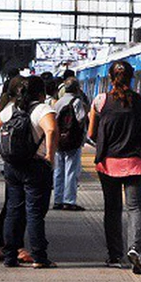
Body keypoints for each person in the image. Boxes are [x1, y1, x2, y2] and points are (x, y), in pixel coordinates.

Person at [89, 60, 141, 274]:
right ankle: (135, 250)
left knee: (112, 209)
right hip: (137, 164)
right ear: (132, 78)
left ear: (110, 78)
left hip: (109, 164)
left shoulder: (100, 101)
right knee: (135, 208)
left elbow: (91, 134)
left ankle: (114, 256)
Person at [0, 76, 57, 268]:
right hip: (35, 166)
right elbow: (51, 130)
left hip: (13, 166)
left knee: (13, 211)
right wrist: (49, 155)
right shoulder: (43, 109)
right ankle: (39, 257)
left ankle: (10, 256)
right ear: (41, 93)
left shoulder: (12, 108)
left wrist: (3, 148)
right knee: (35, 212)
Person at [51, 77, 89, 211]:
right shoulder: (76, 102)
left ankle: (57, 200)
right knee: (71, 171)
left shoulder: (58, 103)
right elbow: (81, 119)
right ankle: (69, 201)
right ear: (77, 89)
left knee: (58, 171)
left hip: (59, 141)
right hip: (72, 141)